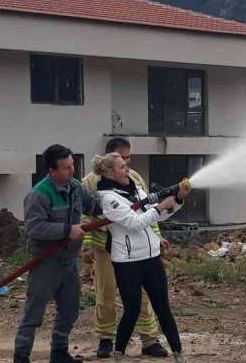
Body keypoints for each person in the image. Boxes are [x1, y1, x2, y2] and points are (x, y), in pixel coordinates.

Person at [91, 152, 190, 362]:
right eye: (121, 167)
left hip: (151, 257)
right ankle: (118, 352)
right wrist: (160, 206)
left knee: (163, 307)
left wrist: (178, 199)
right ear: (109, 172)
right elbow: (134, 223)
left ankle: (178, 353)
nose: (127, 169)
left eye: (126, 165)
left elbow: (158, 214)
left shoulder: (135, 188)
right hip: (127, 262)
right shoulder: (107, 198)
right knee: (133, 308)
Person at [14, 145, 102, 363]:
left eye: (72, 166)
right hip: (46, 262)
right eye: (66, 168)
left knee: (70, 309)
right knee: (34, 313)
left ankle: (59, 352)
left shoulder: (75, 187)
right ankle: (21, 356)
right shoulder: (39, 195)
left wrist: (117, 205)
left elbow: (93, 207)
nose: (72, 171)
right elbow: (34, 228)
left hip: (68, 261)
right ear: (52, 170)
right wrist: (66, 230)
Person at [81, 138, 168, 358]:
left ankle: (149, 340)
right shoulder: (90, 183)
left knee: (143, 296)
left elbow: (149, 209)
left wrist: (157, 238)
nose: (128, 164)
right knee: (105, 293)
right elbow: (84, 216)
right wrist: (87, 246)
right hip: (105, 247)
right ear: (110, 159)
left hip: (137, 250)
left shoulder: (135, 178)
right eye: (123, 158)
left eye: (129, 158)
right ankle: (105, 340)